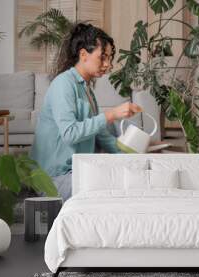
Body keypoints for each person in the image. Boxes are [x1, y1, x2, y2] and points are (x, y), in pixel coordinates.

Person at [30, 23, 142, 201]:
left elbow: (102, 137)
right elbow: (70, 134)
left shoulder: (87, 90)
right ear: (83, 55)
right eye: (103, 57)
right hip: (54, 178)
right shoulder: (63, 84)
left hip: (76, 171)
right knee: (116, 187)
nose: (108, 65)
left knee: (131, 178)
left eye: (110, 58)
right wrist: (110, 115)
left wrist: (138, 157)